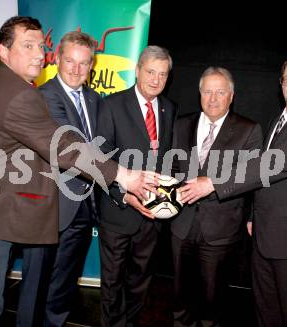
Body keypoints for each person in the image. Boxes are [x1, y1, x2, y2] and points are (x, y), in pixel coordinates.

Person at [0, 16, 157, 327]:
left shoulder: (1, 80)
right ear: (4, 51)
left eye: (40, 46)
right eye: (27, 46)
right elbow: (63, 146)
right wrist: (124, 176)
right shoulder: (19, 93)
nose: (38, 53)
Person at [180, 58, 287, 327]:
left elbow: (273, 164)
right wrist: (255, 214)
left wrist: (212, 183)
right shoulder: (280, 119)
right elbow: (263, 175)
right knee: (267, 313)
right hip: (271, 235)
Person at [171, 67, 263, 326]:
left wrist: (253, 216)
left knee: (213, 303)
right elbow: (173, 169)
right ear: (200, 93)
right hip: (181, 225)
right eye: (207, 91)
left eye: (220, 92)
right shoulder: (181, 124)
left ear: (231, 96)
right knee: (180, 300)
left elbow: (254, 176)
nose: (213, 98)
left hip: (221, 229)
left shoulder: (249, 130)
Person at [97, 45, 177, 327]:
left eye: (163, 74)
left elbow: (168, 160)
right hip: (118, 211)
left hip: (153, 215)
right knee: (113, 283)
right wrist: (124, 195)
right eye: (150, 72)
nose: (156, 80)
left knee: (140, 281)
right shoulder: (111, 105)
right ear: (137, 70)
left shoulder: (170, 109)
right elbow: (100, 159)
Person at [37, 31, 101, 326]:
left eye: (84, 63)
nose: (76, 70)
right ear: (57, 60)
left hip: (84, 204)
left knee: (65, 278)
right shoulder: (46, 95)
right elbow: (73, 148)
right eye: (70, 61)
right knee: (38, 281)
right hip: (52, 204)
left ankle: (55, 321)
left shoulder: (94, 98)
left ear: (91, 66)